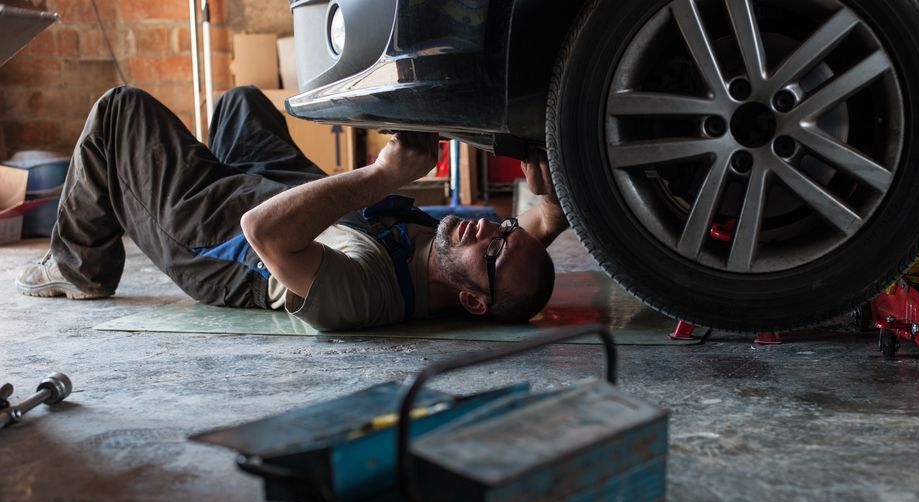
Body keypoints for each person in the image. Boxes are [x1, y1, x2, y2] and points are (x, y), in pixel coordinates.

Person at [14, 86, 569, 330]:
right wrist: (554, 184)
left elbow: (264, 232)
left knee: (120, 109)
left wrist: (384, 174)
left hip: (223, 234)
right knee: (242, 104)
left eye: (494, 250)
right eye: (505, 230)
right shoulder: (466, 258)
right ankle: (213, 164)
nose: (491, 230)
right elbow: (542, 222)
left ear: (473, 301)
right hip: (287, 189)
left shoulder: (371, 292)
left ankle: (78, 265)